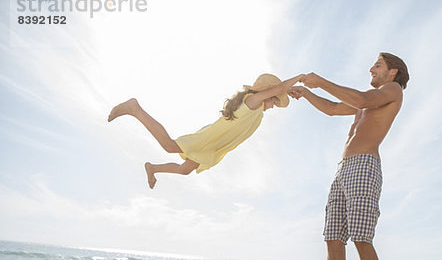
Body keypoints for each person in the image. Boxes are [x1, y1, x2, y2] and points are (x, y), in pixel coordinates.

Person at [288, 52, 409, 260]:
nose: (371, 68)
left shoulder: (392, 90)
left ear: (393, 72)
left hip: (365, 166)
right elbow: (331, 108)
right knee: (333, 238)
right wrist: (306, 93)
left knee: (362, 238)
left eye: (377, 65)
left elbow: (362, 99)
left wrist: (319, 80)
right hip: (343, 169)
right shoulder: (365, 103)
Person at [108, 73, 304, 188]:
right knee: (169, 146)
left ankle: (153, 168)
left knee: (185, 170)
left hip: (215, 145)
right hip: (211, 137)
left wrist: (286, 91)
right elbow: (278, 88)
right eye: (274, 101)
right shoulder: (252, 102)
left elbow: (278, 90)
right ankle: (135, 109)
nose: (273, 106)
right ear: (266, 95)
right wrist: (298, 80)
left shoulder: (258, 113)